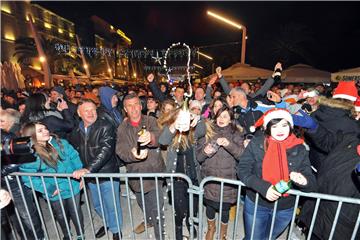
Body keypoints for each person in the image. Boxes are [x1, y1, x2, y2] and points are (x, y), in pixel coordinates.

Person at [238, 109, 316, 240]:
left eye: (284, 125)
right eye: (274, 126)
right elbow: (242, 170)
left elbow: (312, 182)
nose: (280, 130)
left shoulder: (299, 148)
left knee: (269, 237)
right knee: (254, 238)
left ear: (290, 126)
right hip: (257, 203)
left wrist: (304, 181)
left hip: (285, 209)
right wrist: (263, 187)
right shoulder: (257, 144)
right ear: (267, 128)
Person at [292, 110, 360, 240]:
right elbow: (328, 141)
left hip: (339, 224)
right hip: (319, 207)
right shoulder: (351, 139)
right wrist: (314, 127)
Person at [19, 122, 84, 240]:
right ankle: (67, 234)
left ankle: (81, 234)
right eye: (40, 131)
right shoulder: (31, 155)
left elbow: (75, 157)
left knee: (76, 211)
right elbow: (28, 177)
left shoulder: (61, 143)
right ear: (31, 136)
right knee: (60, 214)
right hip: (54, 190)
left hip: (72, 184)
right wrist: (49, 188)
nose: (45, 131)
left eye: (45, 128)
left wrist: (81, 175)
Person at [69, 99, 122, 240]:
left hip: (107, 172)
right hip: (90, 176)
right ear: (79, 113)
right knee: (98, 205)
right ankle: (108, 224)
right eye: (87, 110)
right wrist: (79, 172)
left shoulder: (105, 126)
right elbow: (74, 154)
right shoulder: (75, 131)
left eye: (93, 109)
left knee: (112, 204)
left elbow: (105, 150)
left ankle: (116, 230)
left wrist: (88, 169)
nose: (91, 113)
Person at [116, 93, 165, 240]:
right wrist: (132, 154)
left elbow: (160, 135)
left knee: (157, 209)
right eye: (129, 106)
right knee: (142, 203)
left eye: (136, 104)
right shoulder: (122, 128)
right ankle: (148, 220)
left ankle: (159, 235)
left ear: (141, 105)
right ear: (125, 109)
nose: (134, 108)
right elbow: (120, 150)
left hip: (154, 172)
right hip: (135, 175)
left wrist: (151, 137)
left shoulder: (151, 120)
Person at [158, 98, 207, 240]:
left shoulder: (192, 132)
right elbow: (162, 141)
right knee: (179, 210)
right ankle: (178, 228)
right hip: (177, 180)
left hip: (193, 178)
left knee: (194, 207)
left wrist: (197, 118)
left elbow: (203, 130)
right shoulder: (172, 133)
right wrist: (175, 124)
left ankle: (190, 223)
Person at [197, 105, 245, 240]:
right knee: (210, 206)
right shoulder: (208, 132)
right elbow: (199, 157)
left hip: (228, 180)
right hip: (210, 179)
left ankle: (223, 233)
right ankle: (211, 229)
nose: (221, 119)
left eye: (225, 116)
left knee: (224, 209)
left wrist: (229, 144)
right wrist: (204, 152)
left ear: (230, 119)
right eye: (219, 116)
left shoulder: (236, 133)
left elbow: (242, 155)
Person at [1, 109, 45, 240]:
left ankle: (39, 237)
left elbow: (17, 162)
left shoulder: (8, 136)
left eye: (2, 121)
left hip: (16, 184)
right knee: (14, 218)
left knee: (27, 215)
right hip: (4, 184)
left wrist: (2, 172)